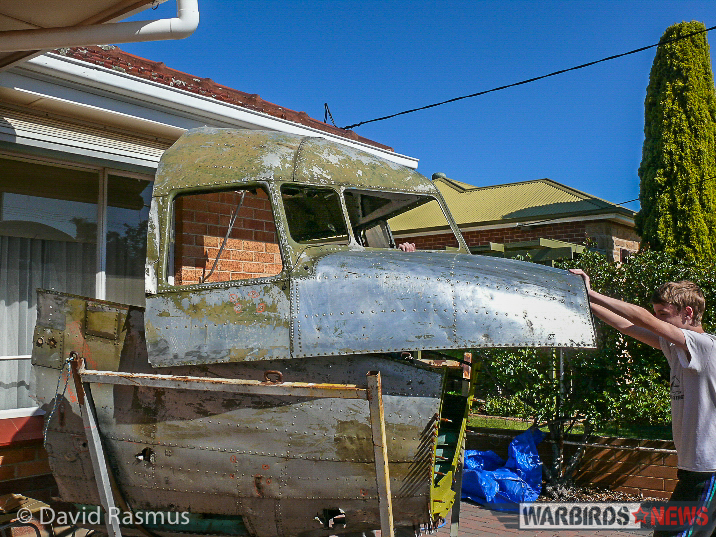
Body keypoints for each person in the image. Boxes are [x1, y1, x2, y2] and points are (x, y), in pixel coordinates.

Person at [569, 269, 716, 537]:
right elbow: (627, 325)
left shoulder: (705, 346)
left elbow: (643, 319)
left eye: (663, 315)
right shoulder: (677, 348)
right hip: (695, 468)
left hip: (709, 470)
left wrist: (592, 293)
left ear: (689, 313)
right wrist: (582, 300)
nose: (657, 322)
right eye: (657, 315)